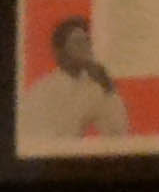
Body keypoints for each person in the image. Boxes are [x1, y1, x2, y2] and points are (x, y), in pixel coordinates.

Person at [21, 15, 129, 149]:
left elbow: (118, 133)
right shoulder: (42, 91)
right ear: (61, 52)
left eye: (87, 41)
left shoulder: (92, 88)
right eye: (77, 42)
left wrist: (108, 87)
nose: (86, 47)